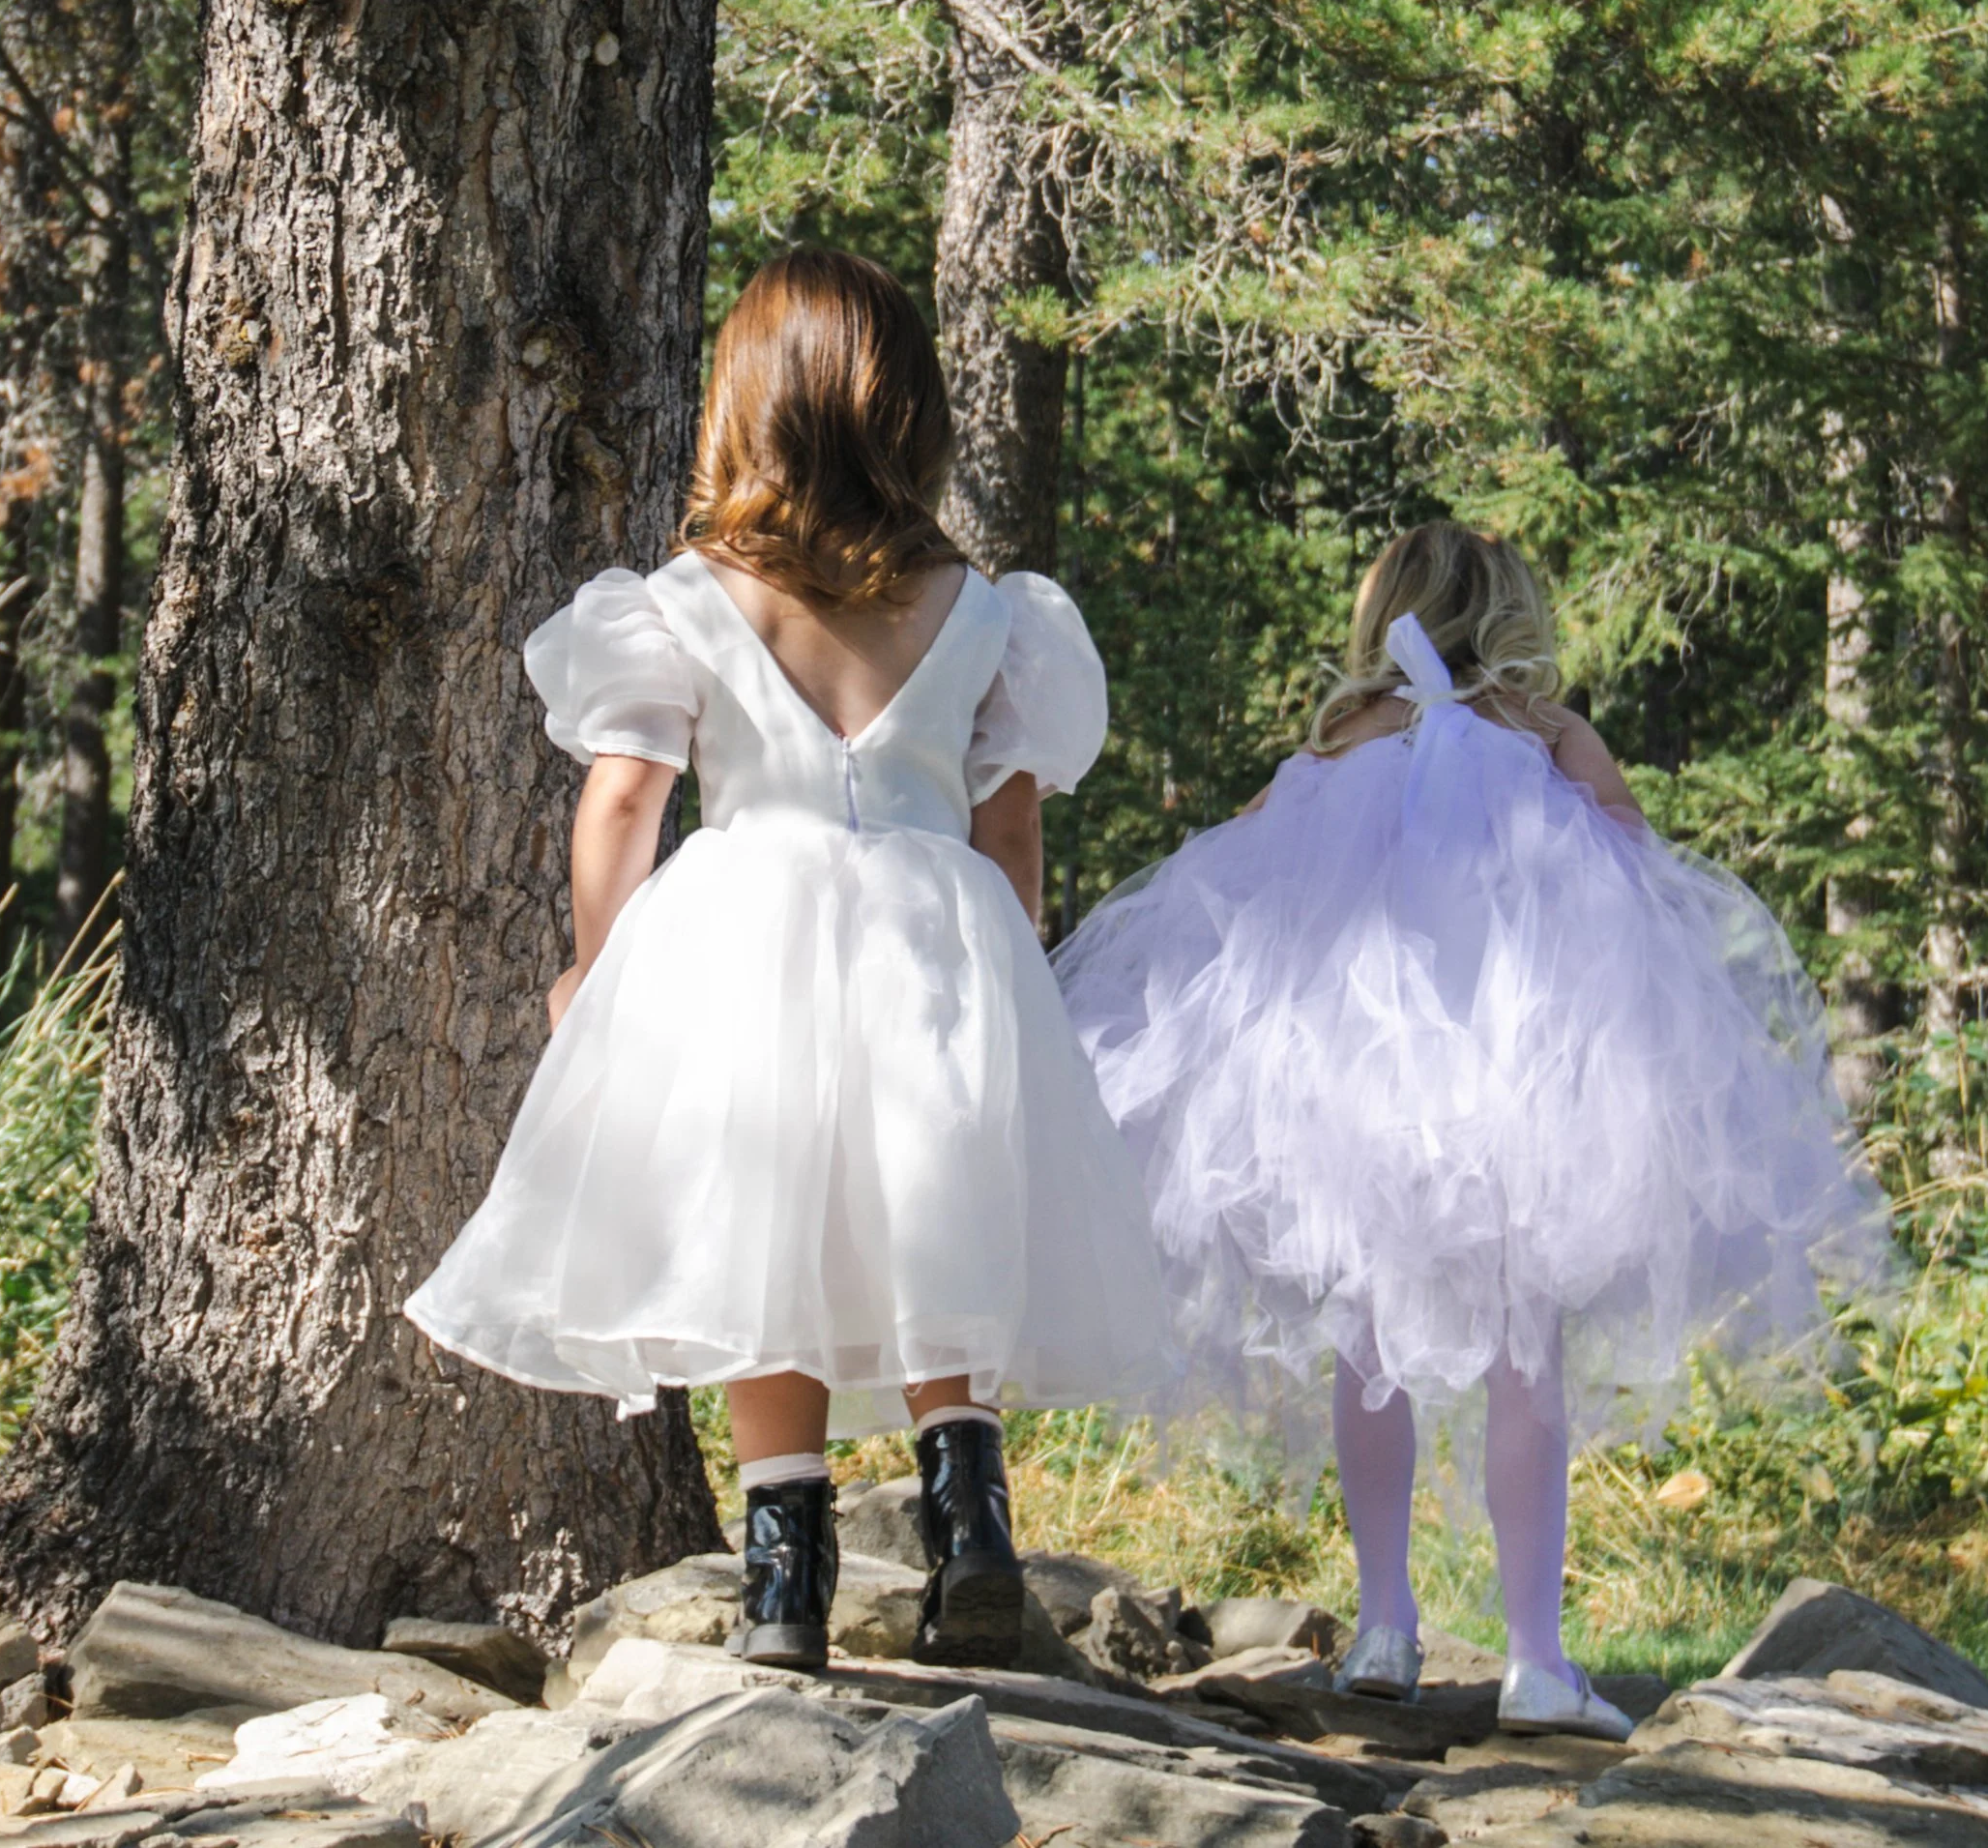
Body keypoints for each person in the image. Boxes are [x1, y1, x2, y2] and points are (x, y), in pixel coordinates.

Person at [407, 247, 1168, 1673]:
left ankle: (782, 1579)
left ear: (742, 402)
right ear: (911, 409)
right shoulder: (983, 608)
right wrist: (1012, 963)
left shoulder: (693, 595)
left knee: (765, 1236)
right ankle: (972, 1525)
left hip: (747, 929)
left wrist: (598, 971)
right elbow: (1010, 830)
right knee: (940, 1214)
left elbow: (624, 796)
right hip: (937, 938)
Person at [1054, 521, 1893, 1738]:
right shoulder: (1551, 740)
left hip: (1354, 1097)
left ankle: (1385, 1622)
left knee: (1369, 1343)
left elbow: (1238, 873)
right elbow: (1636, 885)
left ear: (1384, 614)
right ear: (1511, 616)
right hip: (1523, 1090)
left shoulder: (1345, 739)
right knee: (1524, 1353)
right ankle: (1534, 1657)